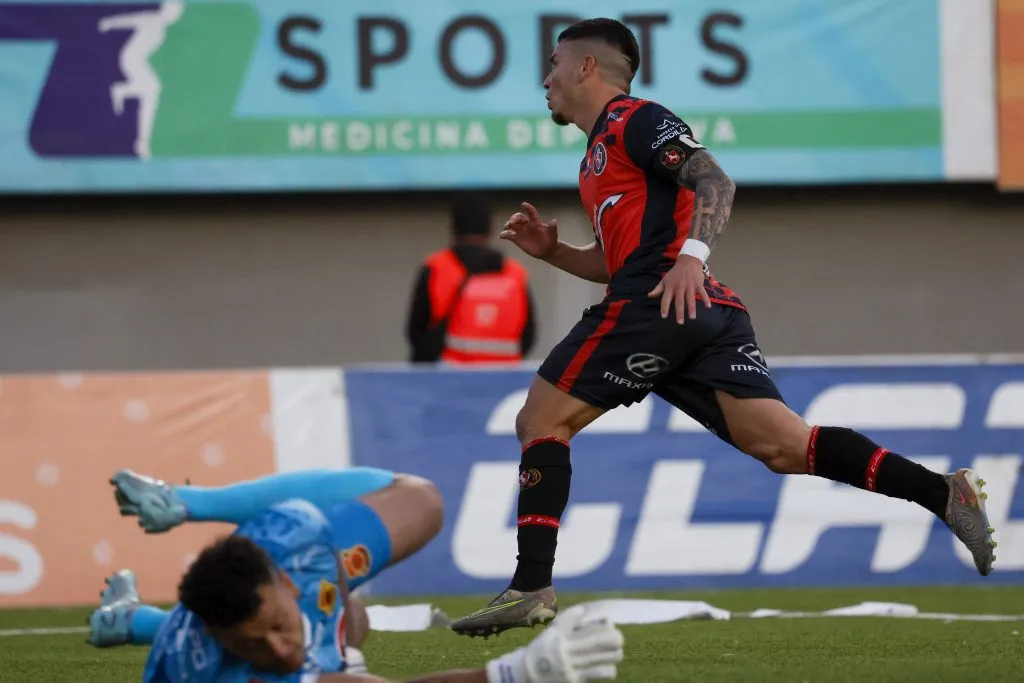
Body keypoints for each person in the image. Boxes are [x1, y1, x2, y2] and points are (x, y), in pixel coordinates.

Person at [449, 17, 998, 637]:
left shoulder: (635, 119)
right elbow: (615, 260)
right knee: (784, 446)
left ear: (585, 67)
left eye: (553, 64)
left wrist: (692, 256)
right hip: (698, 310)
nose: (545, 78)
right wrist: (555, 253)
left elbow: (715, 180)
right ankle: (942, 494)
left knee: (540, 421)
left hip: (657, 302)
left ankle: (530, 585)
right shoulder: (595, 159)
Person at [89, 467, 624, 683]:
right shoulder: (220, 672)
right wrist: (516, 673)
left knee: (418, 505)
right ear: (222, 642)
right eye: (253, 645)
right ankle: (130, 620)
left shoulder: (291, 538)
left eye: (278, 625)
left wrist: (191, 503)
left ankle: (129, 614)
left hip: (283, 585)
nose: (279, 649)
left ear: (288, 584)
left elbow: (389, 489)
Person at [405, 192, 538, 364]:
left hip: (449, 377)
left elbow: (416, 334)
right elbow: (528, 337)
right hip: (504, 376)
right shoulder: (515, 274)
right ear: (490, 229)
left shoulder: (435, 268)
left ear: (452, 228)